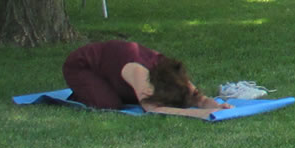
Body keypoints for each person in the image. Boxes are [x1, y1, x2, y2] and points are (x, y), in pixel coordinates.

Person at [62, 40, 231, 119]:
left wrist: (215, 105)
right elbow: (152, 109)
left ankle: (115, 86)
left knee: (126, 96)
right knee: (109, 104)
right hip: (81, 66)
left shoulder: (171, 71)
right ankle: (83, 91)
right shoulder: (140, 74)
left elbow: (198, 98)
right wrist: (199, 114)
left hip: (113, 66)